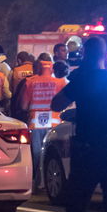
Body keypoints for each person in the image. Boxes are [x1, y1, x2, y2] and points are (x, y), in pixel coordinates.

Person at [48, 36, 107, 212]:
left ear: (86, 54)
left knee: (77, 206)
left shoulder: (83, 79)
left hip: (88, 150)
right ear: (105, 55)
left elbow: (56, 104)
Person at [21, 54, 66, 188]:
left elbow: (23, 106)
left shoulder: (30, 82)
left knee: (36, 154)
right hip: (54, 123)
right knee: (53, 154)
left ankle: (37, 182)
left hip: (35, 123)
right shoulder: (60, 82)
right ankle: (50, 182)